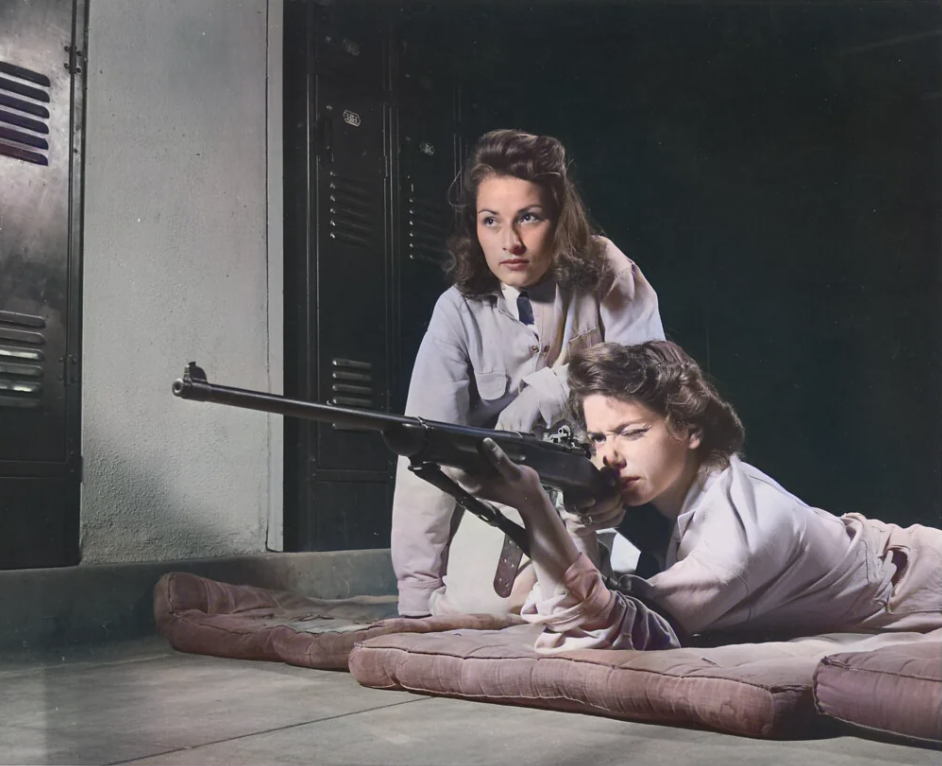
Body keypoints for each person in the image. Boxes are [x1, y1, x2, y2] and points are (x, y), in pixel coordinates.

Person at [460, 340, 942, 652]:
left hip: (921, 579)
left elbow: (601, 631)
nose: (609, 457)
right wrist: (582, 516)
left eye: (630, 432)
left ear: (689, 429)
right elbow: (578, 597)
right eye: (598, 439)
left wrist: (537, 507)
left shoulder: (736, 541)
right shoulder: (688, 486)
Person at [392, 129, 665, 617]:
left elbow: (651, 375)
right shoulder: (456, 312)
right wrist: (414, 600)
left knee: (691, 586)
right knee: (484, 607)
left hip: (623, 482)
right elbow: (425, 454)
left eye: (529, 218)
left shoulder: (605, 267)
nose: (510, 242)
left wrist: (549, 390)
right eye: (490, 221)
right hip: (517, 493)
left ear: (559, 220)